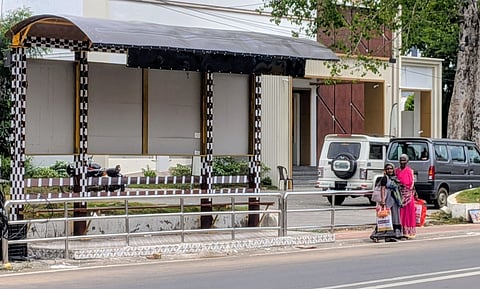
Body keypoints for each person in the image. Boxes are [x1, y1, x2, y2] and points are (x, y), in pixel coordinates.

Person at [370, 163, 403, 242]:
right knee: (384, 218)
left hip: (394, 200)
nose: (390, 170)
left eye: (391, 169)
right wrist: (383, 201)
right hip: (387, 199)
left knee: (392, 218)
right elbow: (382, 189)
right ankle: (376, 235)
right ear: (385, 170)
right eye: (388, 169)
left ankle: (390, 236)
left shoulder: (395, 178)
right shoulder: (385, 178)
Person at [396, 154, 417, 239]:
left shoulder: (410, 171)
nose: (402, 162)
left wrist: (414, 192)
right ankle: (400, 231)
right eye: (401, 160)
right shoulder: (396, 171)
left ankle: (408, 232)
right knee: (400, 214)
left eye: (404, 160)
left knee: (408, 214)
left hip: (408, 196)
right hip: (399, 196)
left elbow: (412, 184)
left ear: (407, 161)